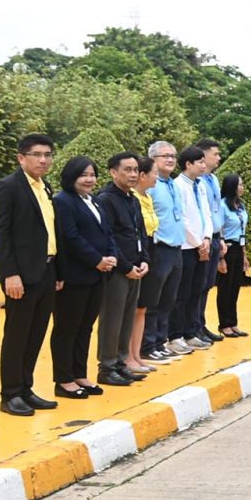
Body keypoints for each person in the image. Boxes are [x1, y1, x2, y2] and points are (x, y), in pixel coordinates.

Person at [0, 133, 62, 417]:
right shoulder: (8, 187)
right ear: (21, 158)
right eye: (36, 155)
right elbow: (0, 233)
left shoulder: (45, 187)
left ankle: (25, 388)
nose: (43, 160)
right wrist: (10, 274)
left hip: (46, 270)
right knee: (17, 335)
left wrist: (57, 272)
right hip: (21, 275)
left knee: (35, 333)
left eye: (47, 155)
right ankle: (10, 395)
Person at [50, 156, 121, 397]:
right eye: (83, 175)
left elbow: (107, 232)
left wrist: (111, 256)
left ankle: (79, 374)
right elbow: (71, 237)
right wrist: (97, 260)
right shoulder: (63, 201)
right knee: (67, 328)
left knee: (85, 327)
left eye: (92, 175)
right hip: (74, 275)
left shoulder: (94, 201)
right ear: (71, 177)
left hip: (97, 276)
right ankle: (64, 380)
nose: (89, 179)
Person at [96, 152, 151, 380]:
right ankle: (107, 367)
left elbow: (141, 233)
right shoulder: (106, 199)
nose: (133, 174)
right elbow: (108, 238)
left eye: (135, 170)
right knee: (112, 319)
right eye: (127, 170)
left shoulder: (133, 199)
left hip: (135, 268)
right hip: (117, 271)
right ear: (113, 172)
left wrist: (145, 259)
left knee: (127, 318)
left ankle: (121, 362)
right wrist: (126, 267)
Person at [141, 141, 191, 360]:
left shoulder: (172, 184)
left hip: (176, 248)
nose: (171, 159)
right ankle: (148, 345)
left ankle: (161, 341)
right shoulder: (150, 185)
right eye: (165, 156)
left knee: (168, 299)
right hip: (159, 248)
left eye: (173, 156)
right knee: (152, 300)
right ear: (153, 159)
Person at [171, 145, 216, 351]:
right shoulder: (178, 186)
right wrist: (198, 243)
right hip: (187, 247)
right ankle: (177, 334)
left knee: (197, 290)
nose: (203, 165)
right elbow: (182, 218)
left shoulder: (201, 185)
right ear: (188, 164)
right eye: (200, 162)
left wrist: (207, 238)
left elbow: (206, 213)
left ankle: (192, 332)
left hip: (202, 244)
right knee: (182, 292)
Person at [127, 155, 166, 368]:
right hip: (138, 252)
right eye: (154, 173)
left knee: (143, 306)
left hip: (151, 250)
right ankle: (128, 356)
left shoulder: (147, 197)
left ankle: (136, 355)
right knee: (133, 308)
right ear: (143, 175)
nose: (157, 178)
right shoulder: (132, 198)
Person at [192, 139, 228, 344]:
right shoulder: (196, 182)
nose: (218, 158)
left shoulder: (213, 179)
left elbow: (215, 211)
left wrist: (220, 237)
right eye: (215, 154)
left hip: (213, 237)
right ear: (203, 155)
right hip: (201, 239)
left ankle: (201, 324)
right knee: (197, 286)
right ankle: (193, 326)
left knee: (207, 284)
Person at [215, 173, 251, 337]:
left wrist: (244, 254)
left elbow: (242, 231)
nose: (242, 188)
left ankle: (233, 322)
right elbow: (220, 230)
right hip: (227, 248)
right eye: (239, 185)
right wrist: (221, 258)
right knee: (225, 287)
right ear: (232, 187)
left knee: (235, 286)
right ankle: (224, 324)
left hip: (238, 248)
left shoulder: (240, 206)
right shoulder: (222, 206)